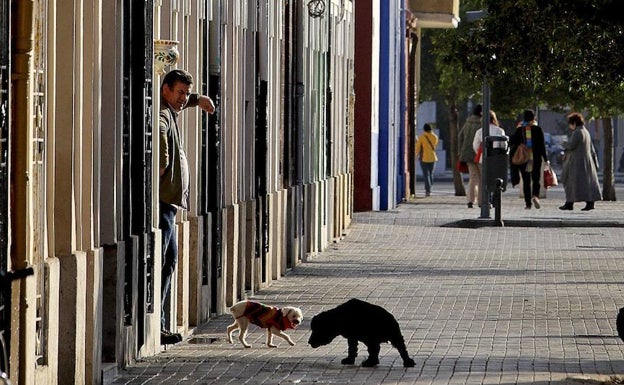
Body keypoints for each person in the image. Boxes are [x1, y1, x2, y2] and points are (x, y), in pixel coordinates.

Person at [159, 69, 215, 344]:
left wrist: (197, 99)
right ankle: (157, 321)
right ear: (165, 89)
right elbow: (158, 135)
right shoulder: (162, 114)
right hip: (162, 203)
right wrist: (162, 162)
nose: (183, 98)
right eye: (179, 92)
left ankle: (160, 321)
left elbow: (183, 101)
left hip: (169, 203)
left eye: (185, 93)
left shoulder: (171, 109)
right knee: (165, 260)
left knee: (168, 260)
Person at [559, 112, 602, 211]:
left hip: (577, 163)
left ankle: (569, 203)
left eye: (570, 124)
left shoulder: (577, 132)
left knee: (571, 183)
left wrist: (563, 143)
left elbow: (571, 145)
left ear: (574, 123)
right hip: (585, 162)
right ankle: (587, 203)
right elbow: (591, 149)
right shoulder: (585, 132)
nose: (570, 126)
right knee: (586, 184)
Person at [509, 109, 548, 210]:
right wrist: (545, 158)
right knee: (536, 179)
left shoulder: (520, 129)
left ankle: (528, 204)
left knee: (526, 181)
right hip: (535, 158)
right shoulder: (538, 129)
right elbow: (542, 145)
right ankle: (535, 196)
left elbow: (512, 143)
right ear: (533, 117)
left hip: (523, 159)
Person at [472, 110, 508, 205]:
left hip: (483, 159)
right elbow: (504, 145)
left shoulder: (480, 131)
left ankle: (483, 201)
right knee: (496, 180)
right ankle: (494, 200)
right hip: (496, 159)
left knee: (483, 180)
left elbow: (475, 145)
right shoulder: (499, 130)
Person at [458, 104, 483, 208]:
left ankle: (470, 200)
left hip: (467, 154)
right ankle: (482, 201)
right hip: (479, 154)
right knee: (482, 178)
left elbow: (460, 137)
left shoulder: (467, 123)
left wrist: (461, 150)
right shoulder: (482, 124)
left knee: (473, 178)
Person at [415, 123, 439, 196]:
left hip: (424, 158)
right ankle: (430, 187)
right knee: (431, 174)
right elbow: (435, 145)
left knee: (426, 175)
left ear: (424, 129)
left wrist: (415, 156)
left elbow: (418, 148)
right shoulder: (435, 137)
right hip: (433, 157)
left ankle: (428, 190)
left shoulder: (422, 137)